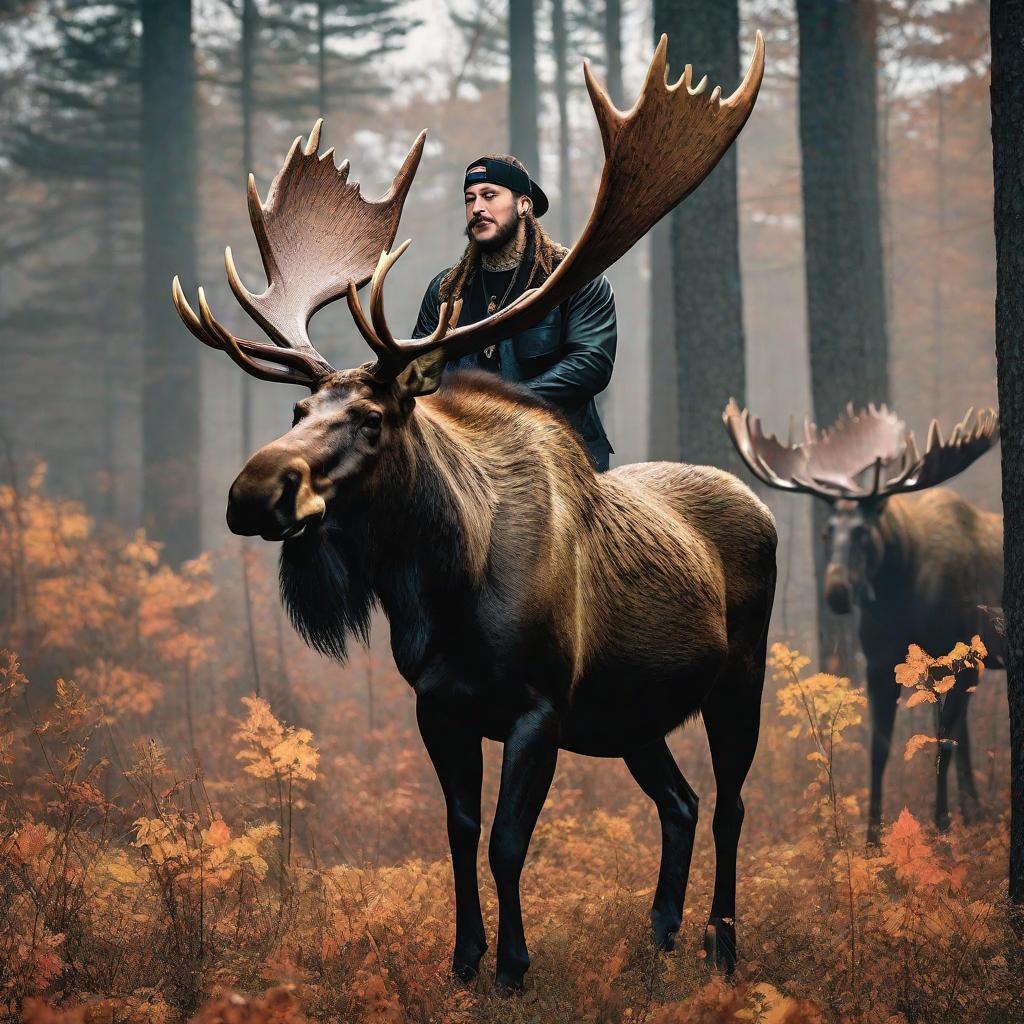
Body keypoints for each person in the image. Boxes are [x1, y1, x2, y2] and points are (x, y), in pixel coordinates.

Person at [412, 154, 616, 471]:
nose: (477, 207)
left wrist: (501, 403)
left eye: (490, 195)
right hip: (467, 463)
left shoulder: (574, 279)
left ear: (524, 205)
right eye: (470, 199)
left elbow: (590, 366)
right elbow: (417, 376)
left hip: (561, 462)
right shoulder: (446, 290)